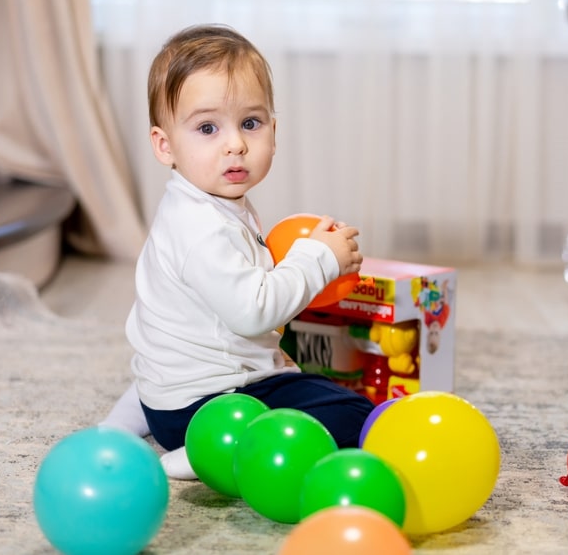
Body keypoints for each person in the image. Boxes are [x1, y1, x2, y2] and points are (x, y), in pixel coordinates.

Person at [101, 24, 375, 479]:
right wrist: (318, 258)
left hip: (168, 393)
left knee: (293, 380)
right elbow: (252, 312)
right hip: (204, 409)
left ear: (273, 128)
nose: (235, 144)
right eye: (207, 128)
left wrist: (273, 357)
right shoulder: (202, 228)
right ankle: (210, 451)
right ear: (164, 145)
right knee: (356, 416)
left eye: (251, 123)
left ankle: (123, 423)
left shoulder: (201, 205)